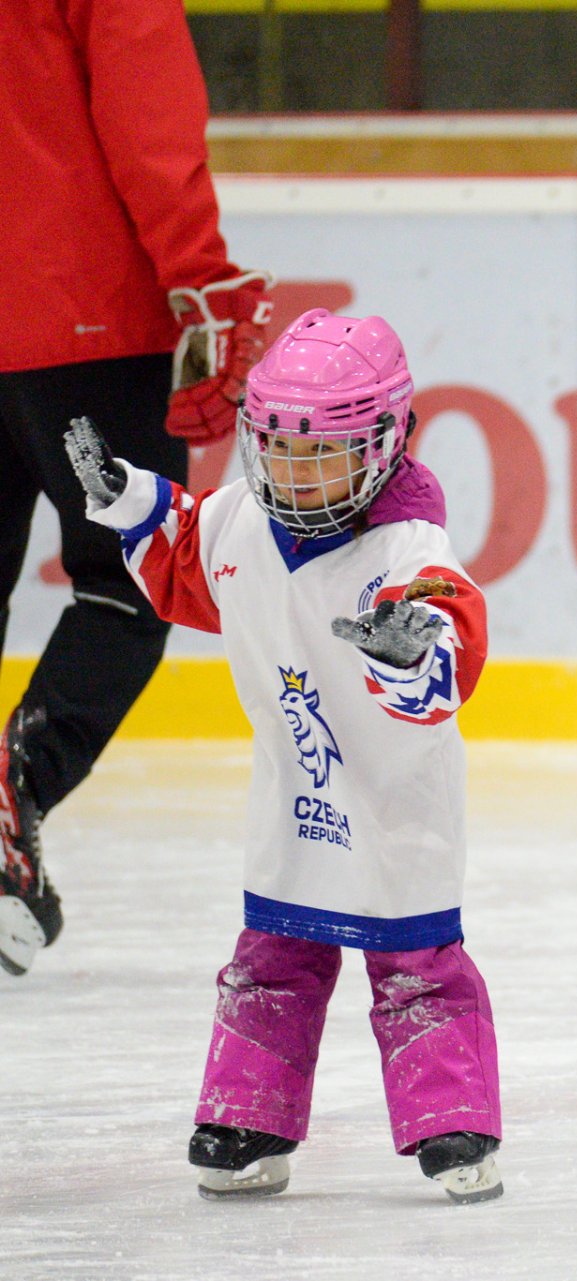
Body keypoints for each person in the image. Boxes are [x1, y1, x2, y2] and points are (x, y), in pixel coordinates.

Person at [63, 310, 504, 1204]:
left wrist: (413, 650)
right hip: (294, 788)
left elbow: (451, 633)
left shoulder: (407, 548)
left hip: (394, 801)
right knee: (271, 958)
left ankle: (453, 1122)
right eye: (281, 451)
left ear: (384, 447)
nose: (297, 473)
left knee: (417, 963)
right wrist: (128, 498)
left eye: (323, 454)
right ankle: (247, 1119)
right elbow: (192, 566)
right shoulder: (241, 516)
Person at [0, 0, 273, 975]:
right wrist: (200, 279)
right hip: (88, 315)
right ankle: (13, 792)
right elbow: (146, 119)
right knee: (133, 578)